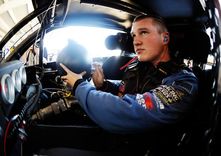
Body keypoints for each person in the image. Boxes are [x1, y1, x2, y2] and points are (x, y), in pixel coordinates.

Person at [60, 14, 198, 155]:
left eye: (143, 33)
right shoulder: (139, 67)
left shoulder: (183, 82)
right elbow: (127, 89)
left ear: (165, 38)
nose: (136, 42)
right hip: (117, 142)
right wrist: (104, 85)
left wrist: (78, 85)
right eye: (133, 36)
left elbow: (125, 111)